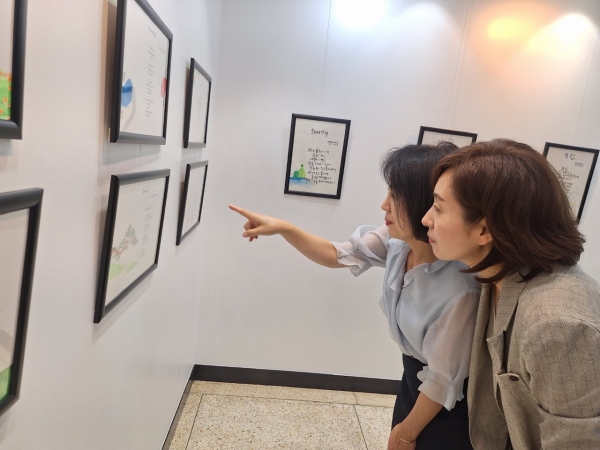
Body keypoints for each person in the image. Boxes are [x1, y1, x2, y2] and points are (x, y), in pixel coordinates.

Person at [230, 143, 481, 450]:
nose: (384, 205)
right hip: (414, 380)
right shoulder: (398, 242)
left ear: (423, 205)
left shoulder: (461, 288)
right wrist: (284, 228)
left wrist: (406, 432)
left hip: (445, 400)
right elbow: (337, 254)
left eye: (395, 196)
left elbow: (443, 381)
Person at [422, 139, 600, 450]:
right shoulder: (496, 276)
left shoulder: (556, 323)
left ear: (485, 230)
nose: (426, 218)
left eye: (438, 207)